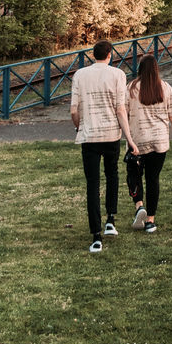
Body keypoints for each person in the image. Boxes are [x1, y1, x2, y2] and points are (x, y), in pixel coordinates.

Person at [70, 40, 138, 254]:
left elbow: (74, 110)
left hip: (89, 136)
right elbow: (120, 110)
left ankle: (96, 235)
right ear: (109, 54)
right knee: (112, 175)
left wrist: (79, 127)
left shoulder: (79, 75)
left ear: (93, 55)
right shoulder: (118, 75)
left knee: (92, 184)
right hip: (110, 135)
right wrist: (129, 138)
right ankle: (111, 219)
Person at [124, 53, 172, 234]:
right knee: (153, 179)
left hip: (138, 141)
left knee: (134, 174)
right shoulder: (165, 88)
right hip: (160, 141)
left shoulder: (131, 89)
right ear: (156, 69)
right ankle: (150, 220)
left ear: (140, 70)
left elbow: (124, 114)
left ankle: (139, 206)